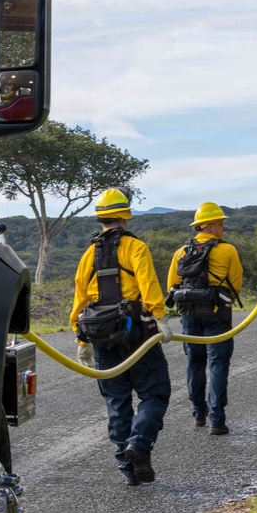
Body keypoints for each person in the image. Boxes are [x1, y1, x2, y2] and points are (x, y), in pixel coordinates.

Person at [70, 187, 173, 485]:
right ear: (126, 216)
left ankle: (128, 470)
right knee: (155, 393)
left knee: (116, 400)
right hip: (138, 334)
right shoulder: (135, 247)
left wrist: (81, 342)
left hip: (101, 336)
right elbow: (148, 284)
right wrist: (161, 317)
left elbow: (80, 300)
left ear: (100, 218)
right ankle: (139, 445)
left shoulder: (88, 255)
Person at [166, 202, 244, 435]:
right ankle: (217, 420)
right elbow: (236, 284)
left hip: (189, 314)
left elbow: (172, 284)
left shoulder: (181, 252)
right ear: (209, 226)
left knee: (195, 361)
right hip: (216, 313)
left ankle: (199, 414)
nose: (223, 228)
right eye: (221, 223)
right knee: (218, 363)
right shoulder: (227, 250)